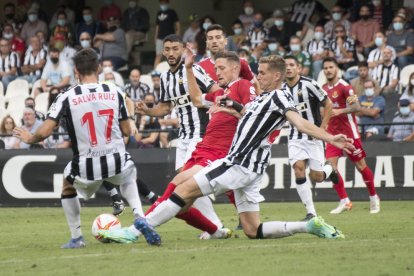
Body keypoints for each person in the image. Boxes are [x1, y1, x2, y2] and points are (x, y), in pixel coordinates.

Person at [100, 55, 352, 243]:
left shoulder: (280, 97)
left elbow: (301, 123)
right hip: (250, 169)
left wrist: (331, 138)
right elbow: (251, 118)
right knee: (253, 230)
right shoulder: (264, 97)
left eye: (262, 73)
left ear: (276, 76)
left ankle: (132, 233)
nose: (258, 76)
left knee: (184, 188)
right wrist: (234, 106)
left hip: (239, 163)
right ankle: (309, 226)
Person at [13, 48, 159, 248]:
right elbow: (126, 130)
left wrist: (30, 138)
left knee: (67, 185)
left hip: (86, 165)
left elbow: (45, 131)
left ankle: (76, 238)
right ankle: (139, 216)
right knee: (127, 175)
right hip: (116, 158)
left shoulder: (66, 96)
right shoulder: (114, 91)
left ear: (76, 71)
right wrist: (131, 120)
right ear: (98, 68)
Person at [136, 34, 225, 237]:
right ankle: (215, 226)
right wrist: (148, 111)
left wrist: (217, 108)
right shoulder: (166, 77)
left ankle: (214, 225)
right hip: (184, 135)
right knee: (189, 183)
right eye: (167, 49)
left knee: (186, 180)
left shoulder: (194, 70)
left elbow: (216, 90)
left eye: (175, 48)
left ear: (183, 49)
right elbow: (165, 108)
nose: (171, 53)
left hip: (201, 133)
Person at [322, 57, 380, 214]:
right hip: (332, 136)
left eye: (331, 67)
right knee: (330, 168)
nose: (328, 70)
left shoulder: (345, 87)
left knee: (361, 167)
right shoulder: (323, 89)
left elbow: (357, 106)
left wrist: (339, 111)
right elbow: (323, 110)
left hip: (349, 134)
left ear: (337, 69)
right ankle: (344, 201)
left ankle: (374, 197)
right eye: (325, 68)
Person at [283, 55, 336, 220]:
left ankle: (330, 170)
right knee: (298, 168)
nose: (289, 68)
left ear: (299, 68)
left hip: (314, 137)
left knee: (317, 177)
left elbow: (328, 103)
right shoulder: (281, 90)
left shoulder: (309, 84)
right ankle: (311, 212)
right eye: (286, 66)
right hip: (294, 137)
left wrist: (323, 128)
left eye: (292, 65)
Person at [198, 24, 259, 92]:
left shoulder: (240, 62)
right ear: (207, 43)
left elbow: (255, 87)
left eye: (218, 37)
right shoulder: (199, 67)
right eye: (210, 38)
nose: (214, 41)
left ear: (226, 41)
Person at [154, 0, 180, 67]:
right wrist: (155, 37)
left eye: (164, 3)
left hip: (170, 38)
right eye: (161, 3)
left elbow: (177, 25)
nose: (163, 4)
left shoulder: (172, 12)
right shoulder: (158, 13)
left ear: (168, 3)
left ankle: (174, 69)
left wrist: (177, 37)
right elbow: (157, 27)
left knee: (171, 54)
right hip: (160, 38)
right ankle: (155, 71)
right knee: (158, 55)